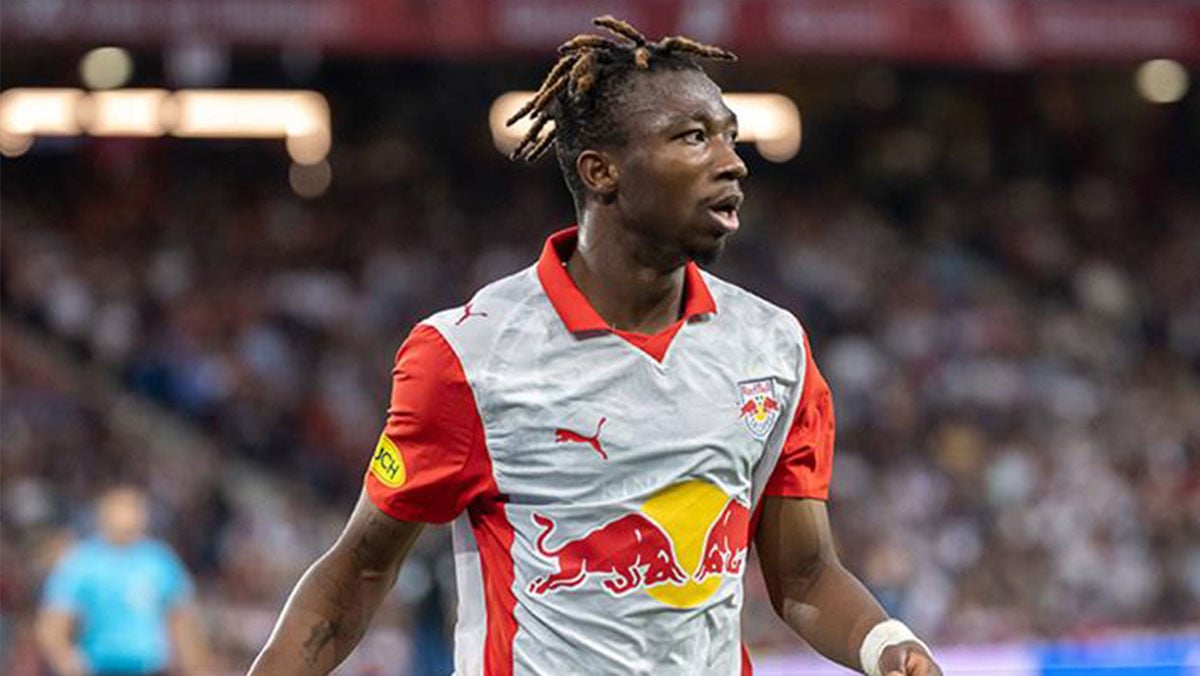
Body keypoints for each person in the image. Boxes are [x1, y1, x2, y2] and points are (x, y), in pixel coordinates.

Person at [249, 16, 942, 676]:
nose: (733, 163)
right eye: (694, 138)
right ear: (600, 171)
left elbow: (806, 574)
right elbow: (359, 569)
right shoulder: (469, 356)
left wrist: (887, 646)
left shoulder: (773, 348)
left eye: (730, 137)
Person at [36, 486, 209, 676]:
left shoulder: (159, 561)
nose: (128, 516)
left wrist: (196, 667)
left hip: (150, 667)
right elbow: (55, 620)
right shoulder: (81, 563)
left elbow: (181, 619)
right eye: (121, 508)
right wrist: (65, 659)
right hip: (100, 666)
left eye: (134, 508)